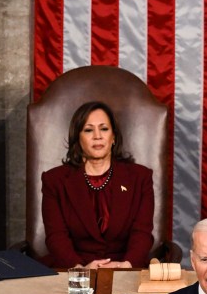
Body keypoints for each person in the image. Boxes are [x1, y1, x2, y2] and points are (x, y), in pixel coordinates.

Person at [40, 101, 154, 269]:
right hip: (73, 269)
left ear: (113, 136)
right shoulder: (54, 180)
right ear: (78, 138)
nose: (97, 136)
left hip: (126, 268)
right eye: (88, 130)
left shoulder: (140, 177)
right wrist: (80, 269)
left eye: (104, 129)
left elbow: (142, 233)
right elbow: (56, 236)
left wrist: (126, 266)